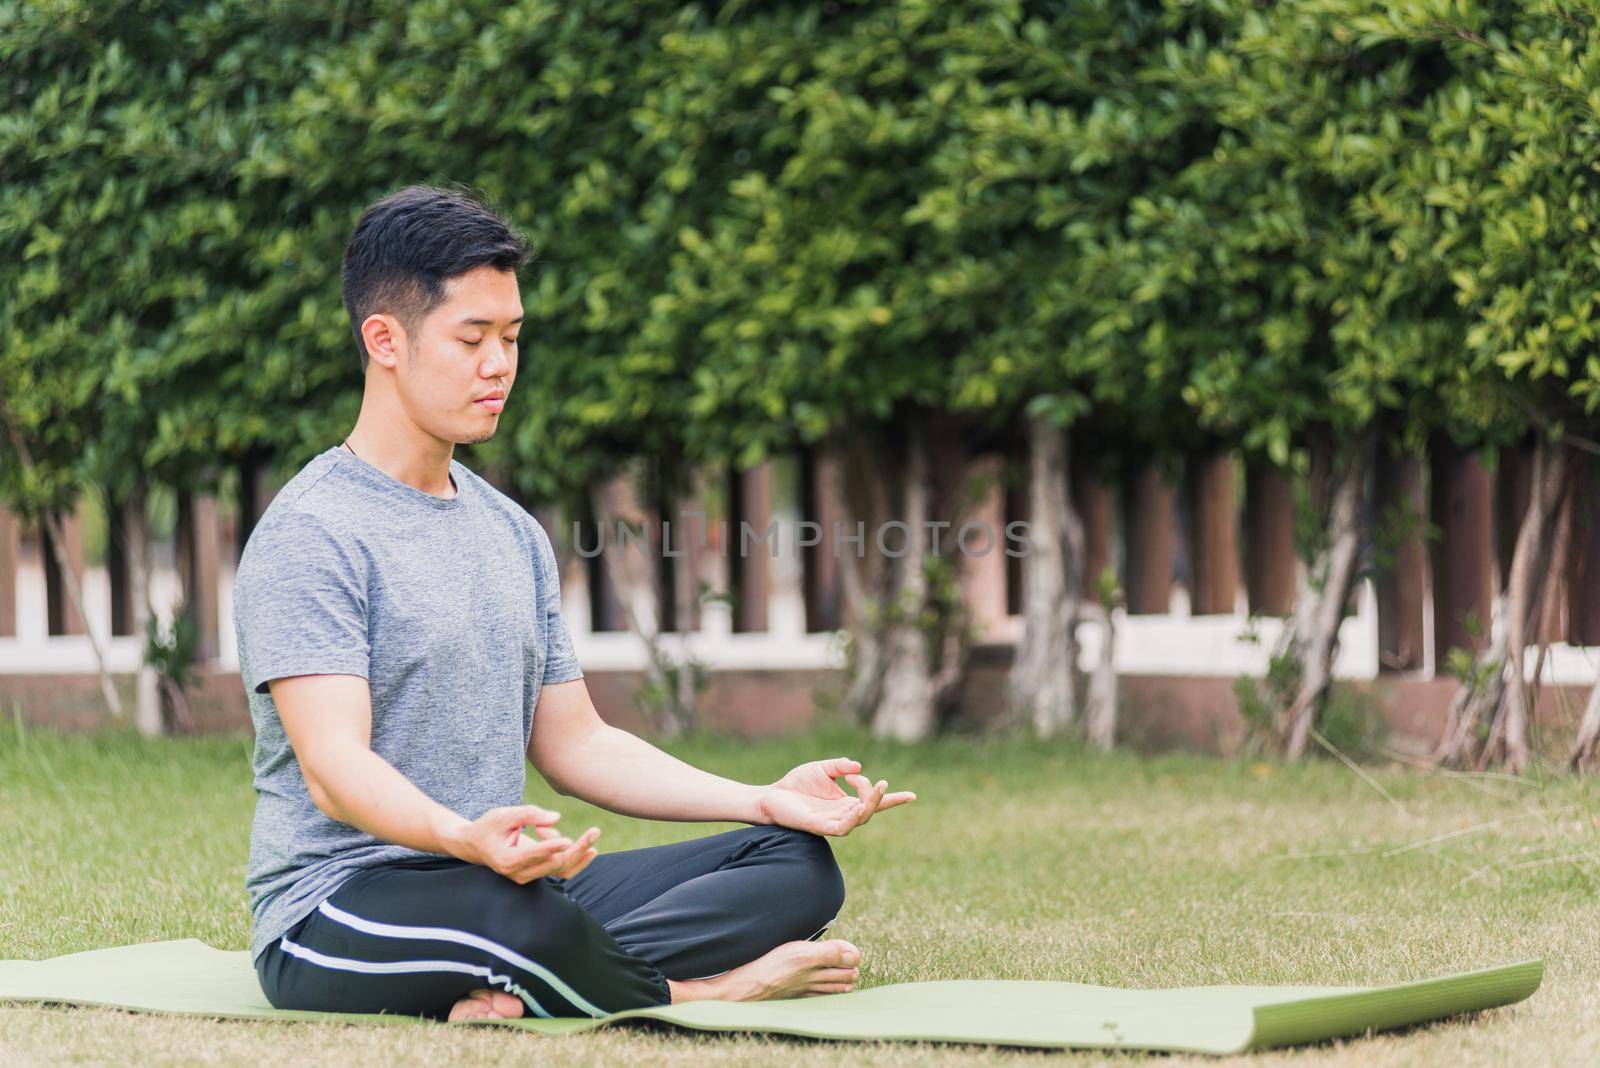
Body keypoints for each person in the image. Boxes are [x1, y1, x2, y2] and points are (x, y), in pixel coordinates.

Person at [232, 184, 915, 1023]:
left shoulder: (511, 533)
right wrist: (460, 837)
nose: (500, 365)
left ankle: (536, 980)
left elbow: (576, 742)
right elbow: (335, 772)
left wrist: (760, 797)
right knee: (522, 920)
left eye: (512, 337)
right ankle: (697, 991)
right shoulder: (314, 532)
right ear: (385, 340)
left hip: (503, 881)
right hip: (342, 905)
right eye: (472, 338)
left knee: (795, 865)